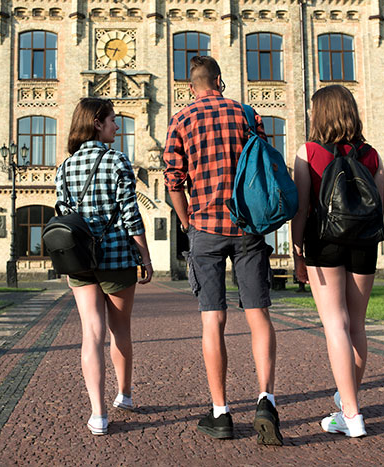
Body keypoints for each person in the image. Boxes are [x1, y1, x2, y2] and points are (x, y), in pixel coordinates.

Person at [162, 56, 283, 446]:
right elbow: (261, 165)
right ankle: (266, 399)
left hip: (206, 229)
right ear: (219, 80)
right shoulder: (247, 113)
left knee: (213, 321)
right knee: (258, 314)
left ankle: (221, 413)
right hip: (247, 226)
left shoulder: (180, 120)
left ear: (190, 86)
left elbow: (173, 181)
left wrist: (186, 223)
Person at [291, 85, 384, 438]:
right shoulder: (372, 155)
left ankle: (351, 412)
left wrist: (298, 251)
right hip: (364, 242)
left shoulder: (310, 152)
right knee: (357, 324)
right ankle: (349, 399)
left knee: (335, 323)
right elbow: (380, 207)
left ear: (320, 114)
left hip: (324, 241)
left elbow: (302, 208)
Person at [58, 97, 153, 435]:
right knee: (120, 330)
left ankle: (98, 414)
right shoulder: (117, 161)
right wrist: (145, 255)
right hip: (116, 258)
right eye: (113, 119)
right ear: (97, 123)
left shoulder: (65, 167)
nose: (117, 125)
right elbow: (130, 214)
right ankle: (124, 395)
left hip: (79, 261)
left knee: (91, 333)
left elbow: (62, 213)